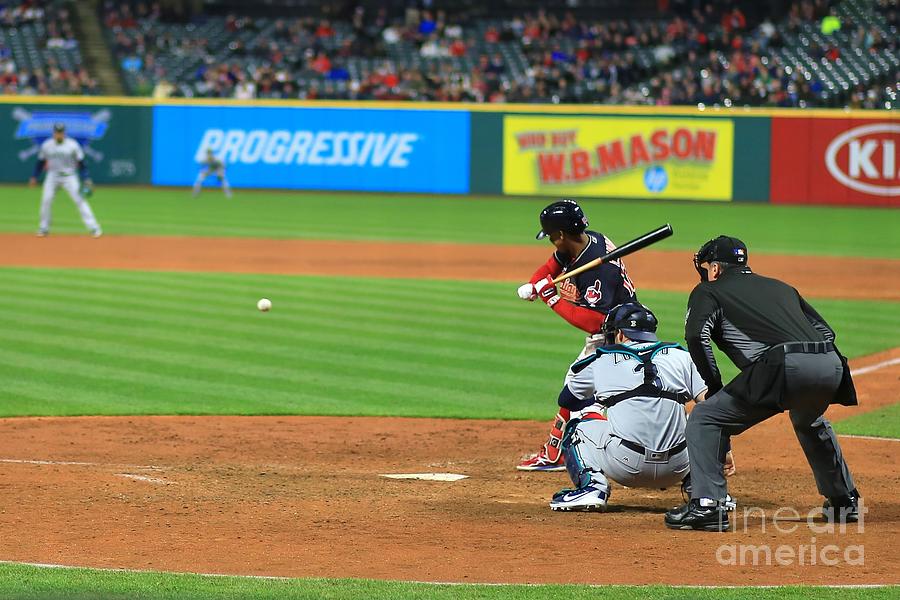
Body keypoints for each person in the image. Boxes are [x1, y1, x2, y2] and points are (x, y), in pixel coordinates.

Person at [665, 236, 860, 532]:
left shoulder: (708, 290)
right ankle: (844, 500)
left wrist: (714, 387)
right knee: (808, 419)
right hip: (831, 364)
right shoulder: (781, 286)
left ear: (715, 268)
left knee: (706, 418)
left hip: (783, 366)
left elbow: (696, 336)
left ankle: (707, 506)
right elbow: (825, 332)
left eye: (707, 267)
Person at [549, 302, 736, 512]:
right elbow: (714, 406)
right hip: (678, 466)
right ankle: (704, 491)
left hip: (625, 466)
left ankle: (592, 488)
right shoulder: (682, 357)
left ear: (620, 334)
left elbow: (567, 400)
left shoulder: (601, 361)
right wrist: (724, 449)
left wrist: (606, 395)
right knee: (697, 423)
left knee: (577, 426)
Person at [515, 199, 637, 471]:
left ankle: (589, 452)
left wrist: (552, 300)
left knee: (585, 392)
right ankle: (556, 451)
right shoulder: (583, 241)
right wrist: (536, 284)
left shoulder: (599, 270)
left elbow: (596, 322)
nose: (549, 241)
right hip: (615, 329)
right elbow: (550, 267)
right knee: (581, 389)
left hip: (619, 335)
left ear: (559, 236)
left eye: (549, 236)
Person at [30, 122, 102, 238]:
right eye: (57, 132)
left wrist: (86, 178)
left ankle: (94, 227)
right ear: (54, 133)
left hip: (70, 176)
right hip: (52, 176)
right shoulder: (47, 145)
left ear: (64, 133)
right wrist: (34, 176)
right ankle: (44, 228)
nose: (59, 134)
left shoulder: (72, 145)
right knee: (46, 200)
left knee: (80, 201)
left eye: (61, 132)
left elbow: (82, 163)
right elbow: (40, 162)